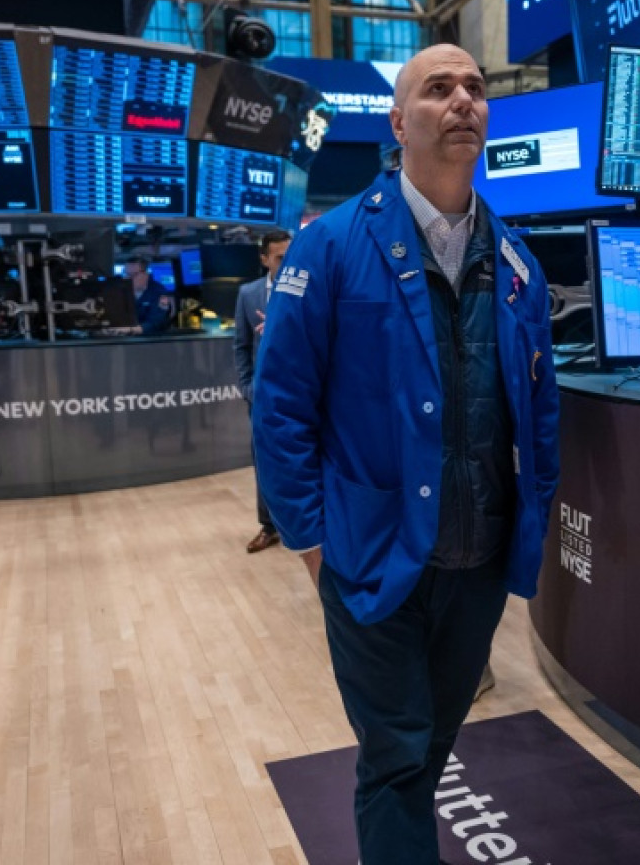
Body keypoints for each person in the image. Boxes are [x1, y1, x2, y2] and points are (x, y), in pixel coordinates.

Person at [251, 44, 560, 864]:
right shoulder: (332, 247)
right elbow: (279, 405)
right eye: (438, 89)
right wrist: (311, 539)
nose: (463, 100)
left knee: (428, 751)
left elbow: (543, 411)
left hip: (479, 561)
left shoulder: (519, 260)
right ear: (398, 123)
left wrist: (535, 518)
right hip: (371, 556)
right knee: (394, 760)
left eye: (475, 87)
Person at [232, 230, 291, 553]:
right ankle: (268, 526)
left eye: (290, 255)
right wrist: (247, 387)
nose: (286, 263)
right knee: (264, 461)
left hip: (303, 392)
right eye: (280, 257)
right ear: (265, 259)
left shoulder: (309, 287)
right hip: (263, 396)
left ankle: (308, 525)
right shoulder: (248, 294)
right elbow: (240, 346)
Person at [124, 256, 173, 335]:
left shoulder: (159, 292)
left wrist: (132, 330)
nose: (129, 279)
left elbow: (157, 322)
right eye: (127, 274)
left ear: (145, 274)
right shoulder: (122, 292)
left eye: (134, 275)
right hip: (126, 339)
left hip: (152, 341)